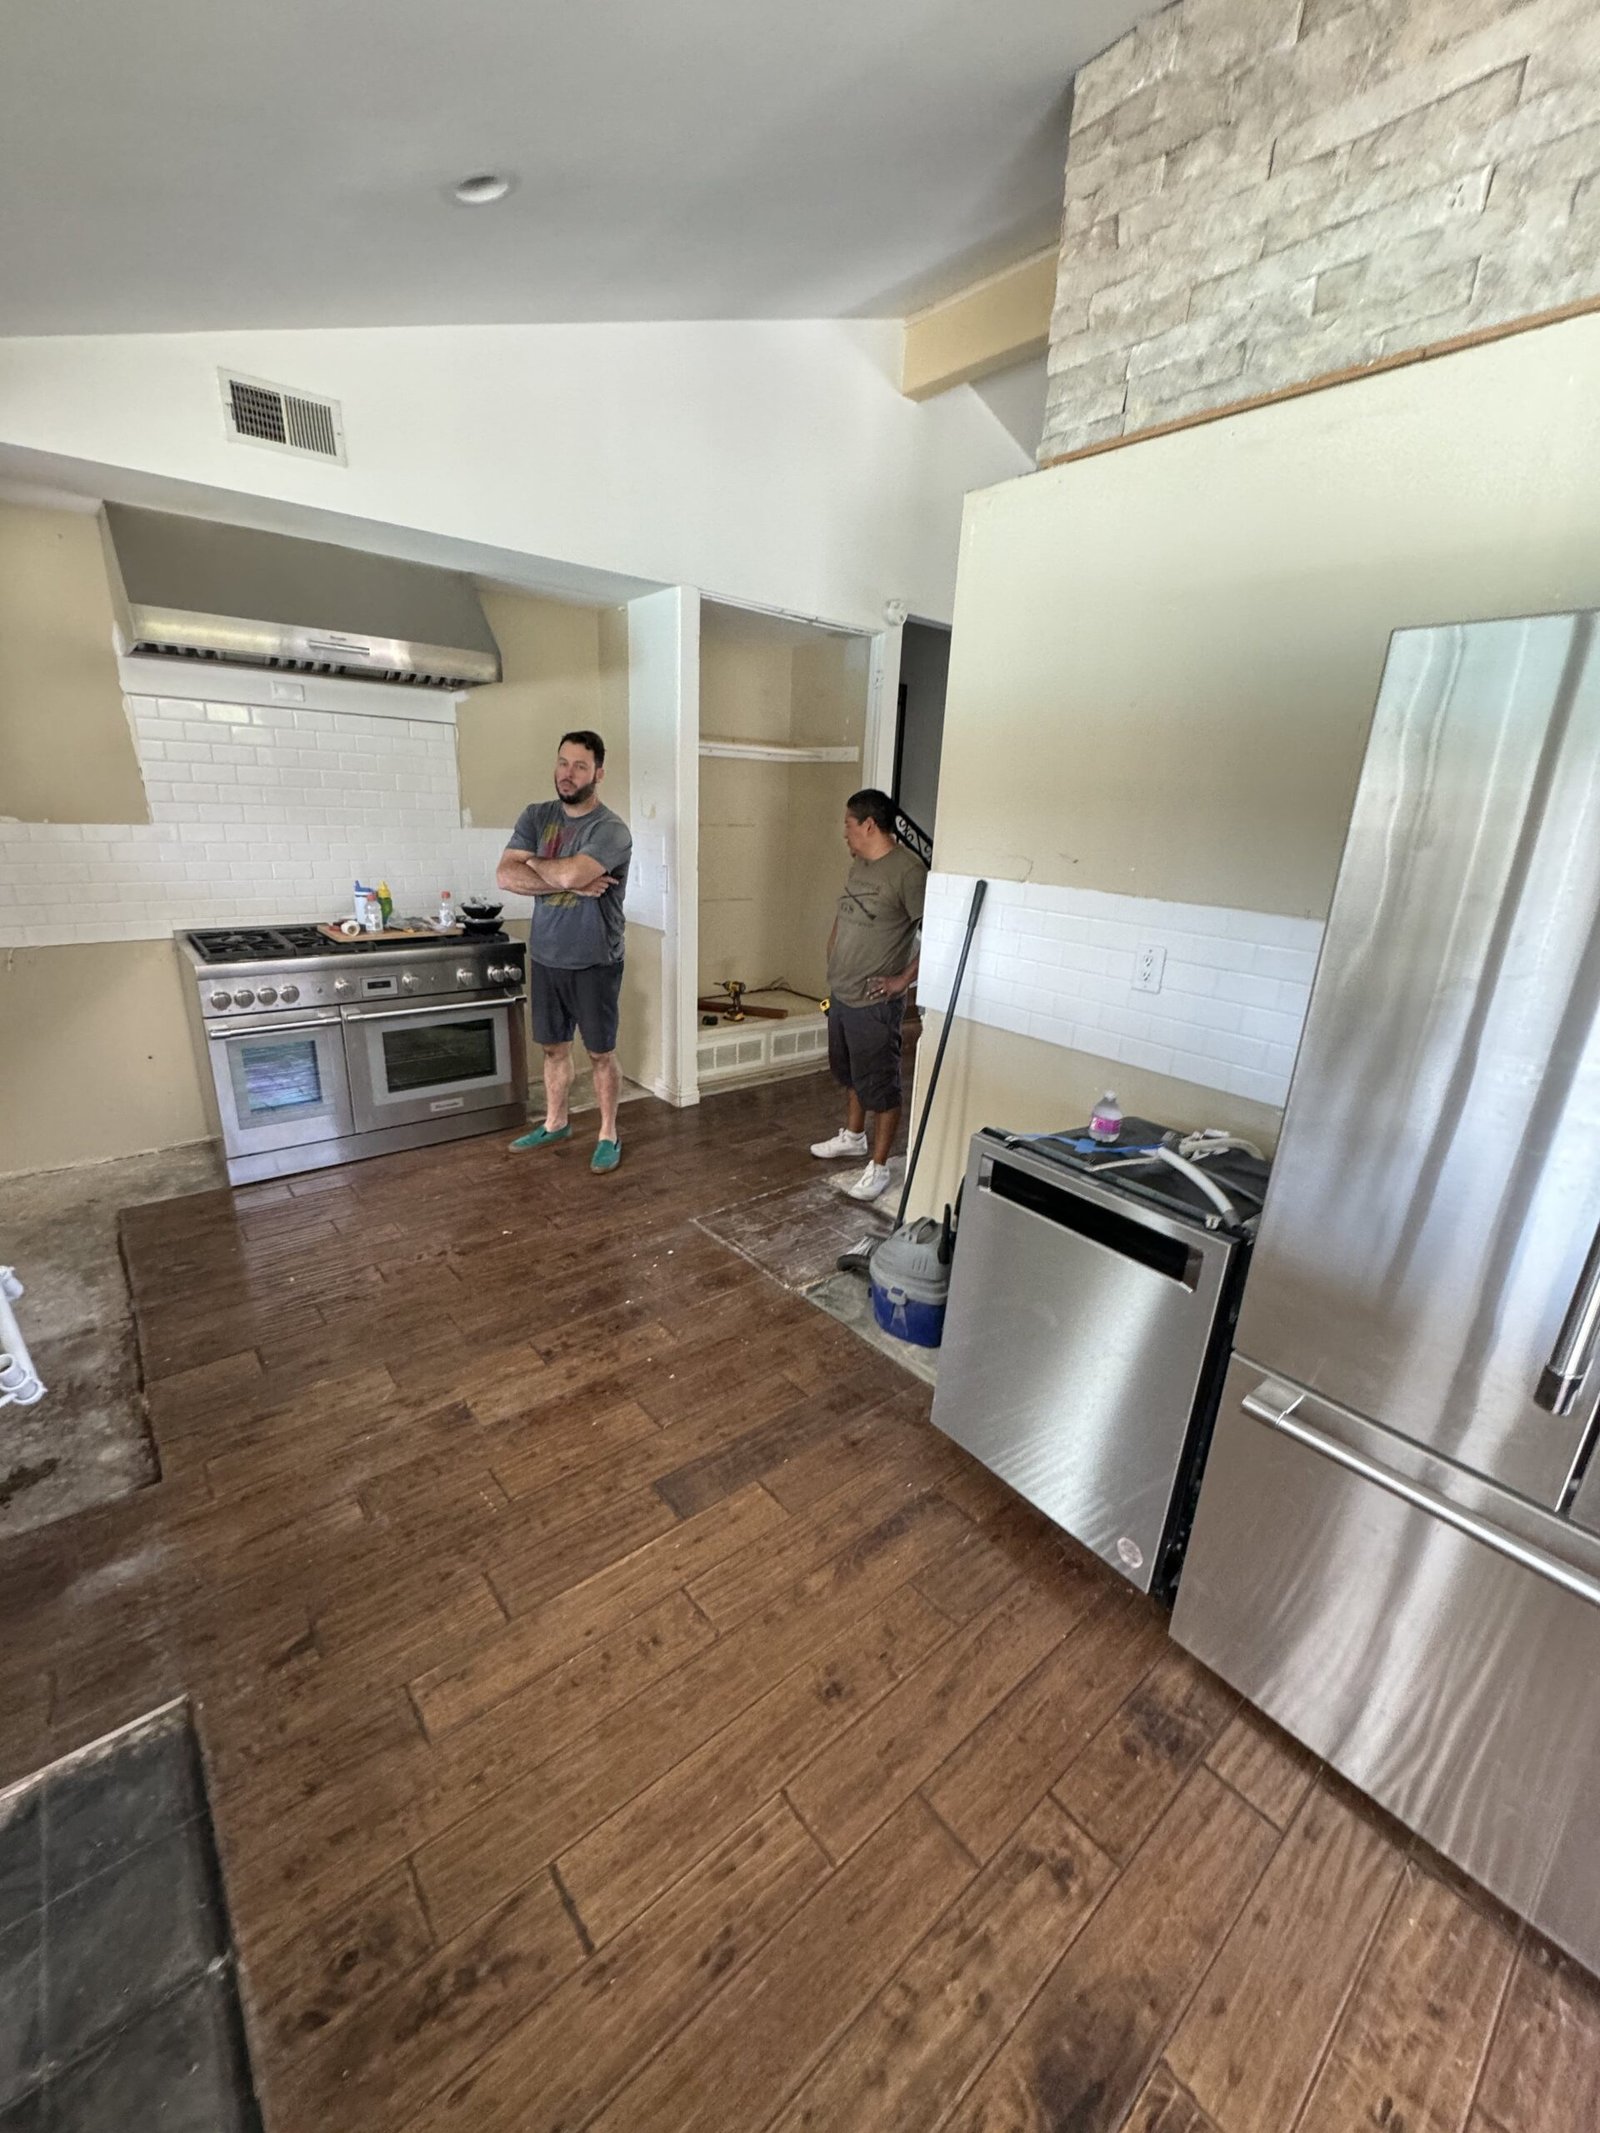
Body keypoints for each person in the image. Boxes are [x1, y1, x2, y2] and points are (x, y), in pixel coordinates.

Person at [497, 730, 632, 1174]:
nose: (567, 774)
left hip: (595, 959)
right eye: (562, 763)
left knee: (599, 1053)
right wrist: (556, 874)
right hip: (547, 954)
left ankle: (608, 1132)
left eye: (579, 765)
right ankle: (556, 1123)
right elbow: (505, 876)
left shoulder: (610, 830)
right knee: (554, 1048)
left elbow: (575, 872)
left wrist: (534, 863)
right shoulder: (537, 816)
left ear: (598, 773)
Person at [811, 788, 927, 1201]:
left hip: (876, 1001)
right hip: (842, 992)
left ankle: (878, 1167)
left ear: (868, 825)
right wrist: (832, 948)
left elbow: (934, 936)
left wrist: (901, 983)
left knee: (881, 1084)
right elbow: (846, 913)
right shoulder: (860, 864)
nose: (844, 833)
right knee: (851, 1073)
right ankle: (854, 1136)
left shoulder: (908, 872)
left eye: (847, 824)